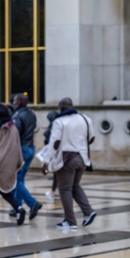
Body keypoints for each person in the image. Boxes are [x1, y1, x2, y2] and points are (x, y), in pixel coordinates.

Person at [42, 98, 97, 229]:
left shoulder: (59, 121)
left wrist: (46, 162)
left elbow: (54, 143)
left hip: (67, 159)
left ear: (60, 108)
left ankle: (70, 222)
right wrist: (79, 144)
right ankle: (88, 212)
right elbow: (92, 138)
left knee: (65, 189)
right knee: (75, 186)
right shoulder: (85, 119)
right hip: (82, 158)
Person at [9, 94, 43, 220]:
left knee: (15, 180)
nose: (13, 103)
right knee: (20, 179)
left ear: (18, 102)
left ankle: (32, 203)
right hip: (30, 148)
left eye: (14, 101)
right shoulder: (31, 114)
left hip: (21, 149)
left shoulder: (18, 115)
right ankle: (17, 207)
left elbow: (14, 134)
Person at [43, 110, 59, 200]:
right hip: (61, 153)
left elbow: (49, 140)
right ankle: (53, 191)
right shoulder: (58, 124)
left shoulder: (54, 125)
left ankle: (52, 192)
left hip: (55, 153)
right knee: (57, 173)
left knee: (57, 173)